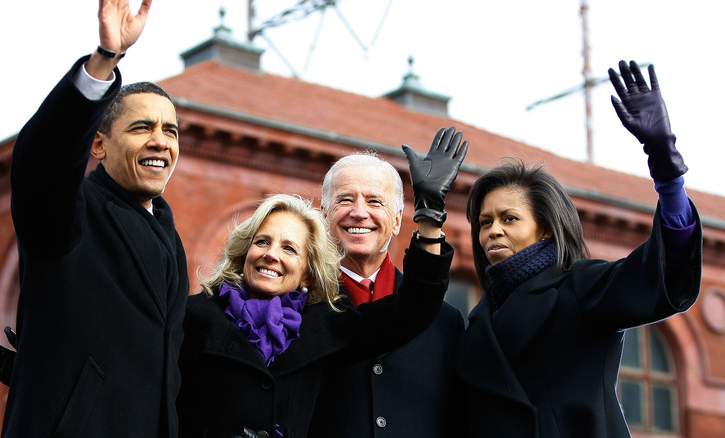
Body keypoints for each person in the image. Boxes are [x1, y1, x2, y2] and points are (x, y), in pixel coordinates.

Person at [0, 1, 189, 437]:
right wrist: (103, 62)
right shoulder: (71, 212)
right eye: (141, 128)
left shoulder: (167, 233)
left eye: (170, 131)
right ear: (97, 146)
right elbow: (43, 159)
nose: (160, 141)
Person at [455, 60, 702, 437]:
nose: (493, 231)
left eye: (509, 219)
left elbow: (663, 271)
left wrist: (666, 169)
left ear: (545, 232)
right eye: (485, 222)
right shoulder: (479, 319)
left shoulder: (580, 287)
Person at [176, 126, 467, 437]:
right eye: (262, 242)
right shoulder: (195, 316)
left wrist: (430, 214)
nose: (272, 255)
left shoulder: (323, 325)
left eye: (289, 248)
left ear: (306, 270)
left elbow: (415, 306)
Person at [308, 130, 466, 437]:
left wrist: (430, 211)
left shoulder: (446, 322)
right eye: (345, 200)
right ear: (324, 215)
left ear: (396, 221)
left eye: (374, 201)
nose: (359, 212)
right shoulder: (296, 309)